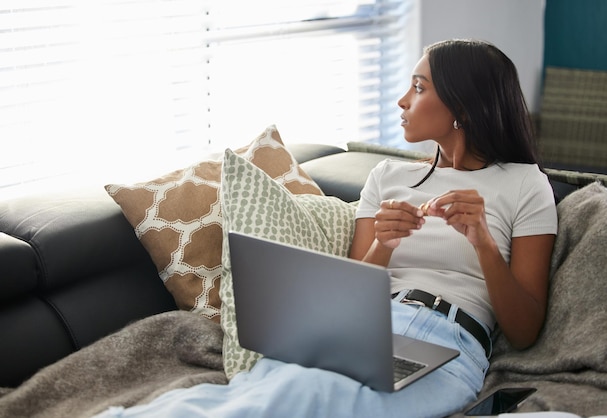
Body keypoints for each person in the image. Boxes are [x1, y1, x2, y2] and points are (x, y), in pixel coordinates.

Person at [95, 39, 557, 418]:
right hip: (362, 326)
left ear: (462, 106)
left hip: (447, 339)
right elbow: (354, 286)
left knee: (313, 398)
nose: (402, 100)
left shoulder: (524, 185)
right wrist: (385, 244)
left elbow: (523, 330)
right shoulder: (388, 177)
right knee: (272, 388)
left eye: (418, 88)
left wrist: (483, 246)